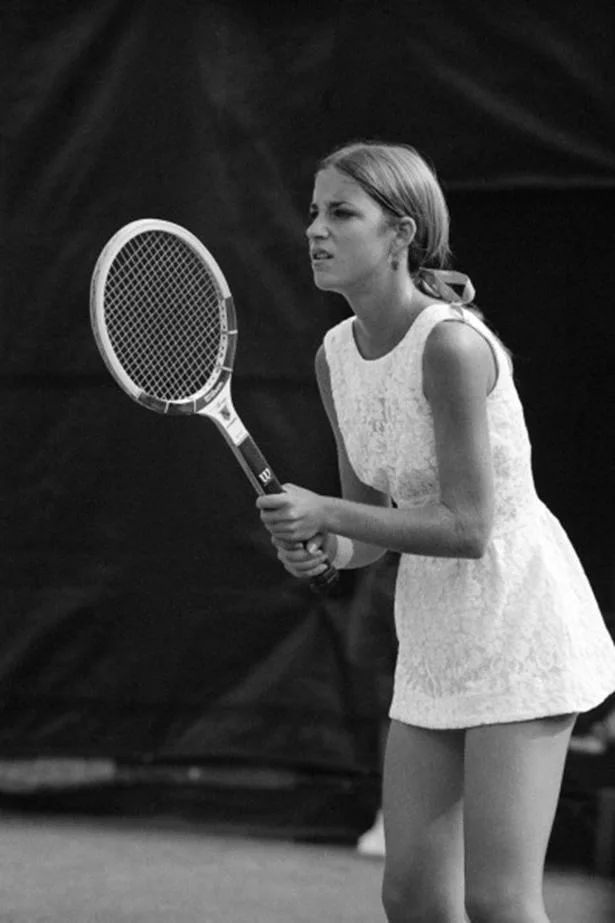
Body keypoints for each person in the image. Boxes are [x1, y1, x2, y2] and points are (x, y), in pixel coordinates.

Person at [256, 140, 615, 923]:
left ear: (400, 233)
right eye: (313, 211)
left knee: (498, 900)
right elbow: (373, 528)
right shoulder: (333, 357)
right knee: (413, 895)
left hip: (522, 621)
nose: (315, 229)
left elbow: (468, 527)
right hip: (433, 637)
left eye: (341, 212)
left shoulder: (451, 344)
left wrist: (327, 510)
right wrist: (321, 545)